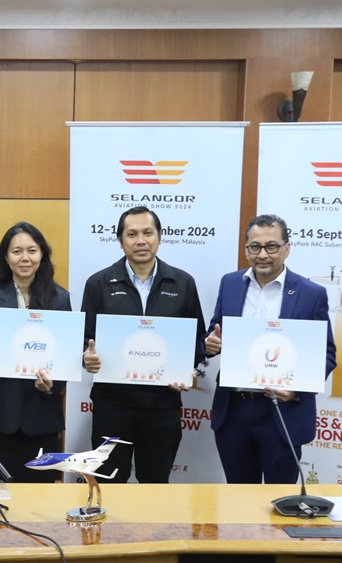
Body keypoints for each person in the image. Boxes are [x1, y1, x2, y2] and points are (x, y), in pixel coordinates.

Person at [204, 214, 337, 484]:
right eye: (255, 247)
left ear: (287, 248)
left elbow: (326, 353)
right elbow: (215, 330)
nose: (262, 254)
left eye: (271, 246)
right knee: (239, 497)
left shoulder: (311, 293)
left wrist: (297, 390)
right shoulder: (230, 283)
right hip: (234, 411)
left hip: (281, 412)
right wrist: (211, 343)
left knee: (280, 498)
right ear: (246, 249)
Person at [80, 206, 205, 483]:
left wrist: (189, 368)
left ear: (159, 237)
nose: (141, 241)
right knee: (108, 483)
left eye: (148, 233)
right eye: (132, 234)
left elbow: (197, 341)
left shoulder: (183, 283)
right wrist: (87, 358)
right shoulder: (98, 283)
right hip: (112, 405)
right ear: (120, 240)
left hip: (162, 405)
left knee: (155, 485)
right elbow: (84, 342)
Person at [0, 222, 71, 483]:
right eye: (17, 251)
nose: (25, 258)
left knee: (38, 493)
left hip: (40, 415)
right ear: (6, 256)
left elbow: (65, 359)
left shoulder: (59, 298)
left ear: (42, 254)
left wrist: (52, 385)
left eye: (32, 251)